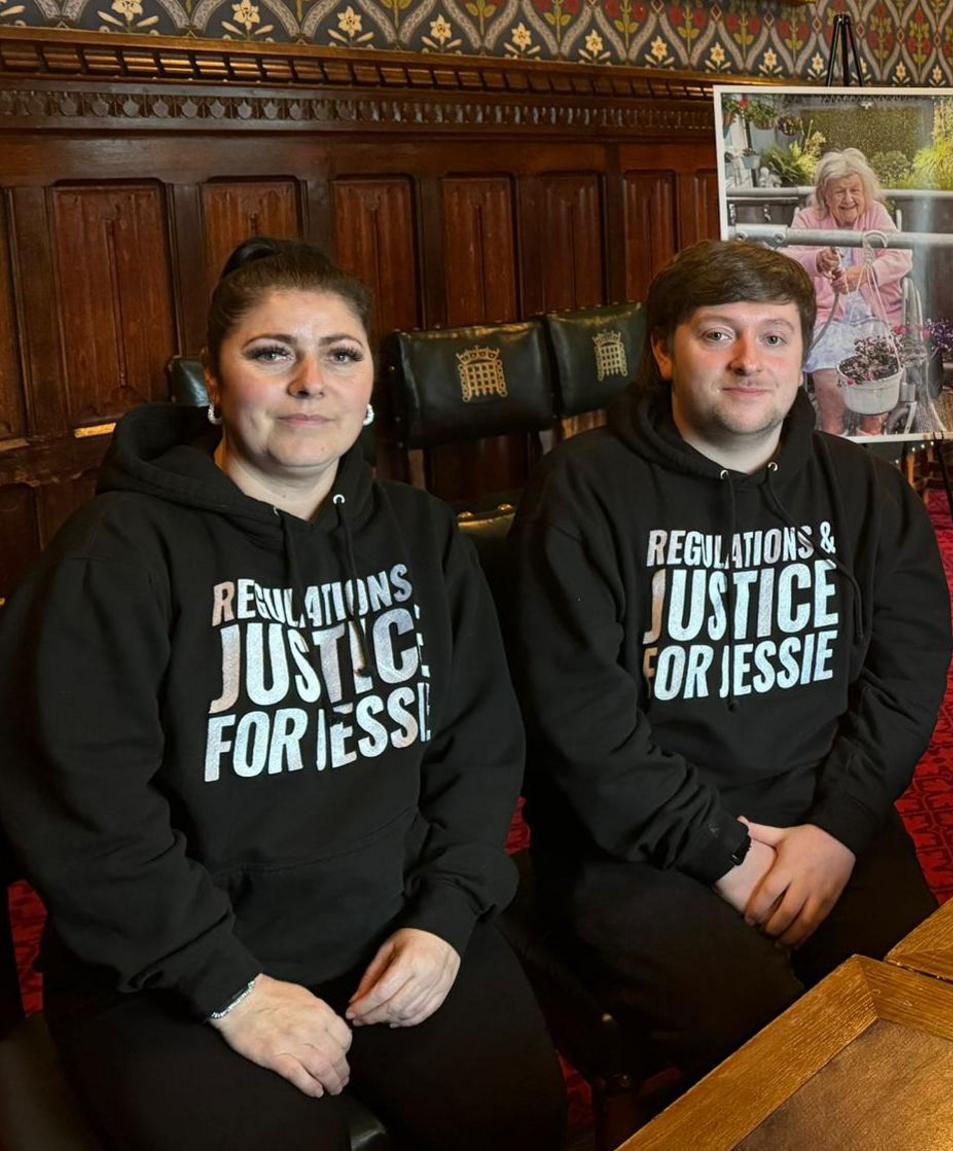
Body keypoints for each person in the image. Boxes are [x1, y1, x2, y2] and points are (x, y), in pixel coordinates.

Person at [0, 239, 565, 1150]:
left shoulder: (422, 536)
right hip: (168, 962)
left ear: (371, 382)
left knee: (518, 1120)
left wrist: (449, 916)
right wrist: (228, 985)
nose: (311, 381)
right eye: (271, 353)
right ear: (214, 386)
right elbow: (84, 810)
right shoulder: (115, 555)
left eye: (340, 353)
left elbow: (481, 747)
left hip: (396, 926)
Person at [508, 240, 951, 1082]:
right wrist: (721, 852)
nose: (750, 361)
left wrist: (837, 828)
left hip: (821, 818)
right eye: (718, 335)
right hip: (634, 847)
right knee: (769, 1052)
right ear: (664, 350)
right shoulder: (581, 490)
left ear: (802, 353)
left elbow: (906, 679)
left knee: (924, 1015)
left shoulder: (868, 491)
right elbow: (579, 722)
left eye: (776, 337)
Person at [786, 148, 913, 435]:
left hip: (875, 313)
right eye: (839, 192)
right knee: (828, 361)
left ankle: (873, 429)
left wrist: (867, 274)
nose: (848, 199)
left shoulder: (876, 214)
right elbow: (787, 258)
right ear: (824, 195)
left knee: (879, 359)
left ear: (865, 191)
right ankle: (834, 432)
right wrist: (816, 260)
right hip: (827, 316)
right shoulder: (808, 219)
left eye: (854, 190)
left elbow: (902, 256)